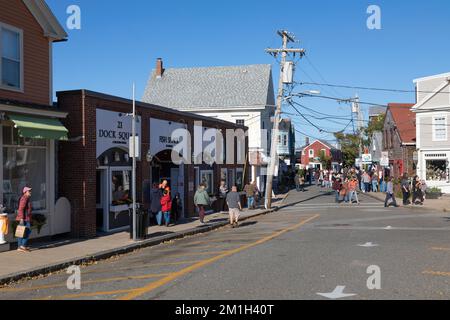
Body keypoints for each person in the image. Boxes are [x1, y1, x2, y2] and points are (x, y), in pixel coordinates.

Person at [16, 187, 33, 252]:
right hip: (24, 218)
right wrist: (21, 218)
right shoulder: (24, 198)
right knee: (27, 231)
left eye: (30, 191)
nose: (30, 192)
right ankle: (22, 246)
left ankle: (20, 247)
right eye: (29, 191)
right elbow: (21, 209)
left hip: (25, 218)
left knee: (21, 232)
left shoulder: (26, 198)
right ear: (25, 192)